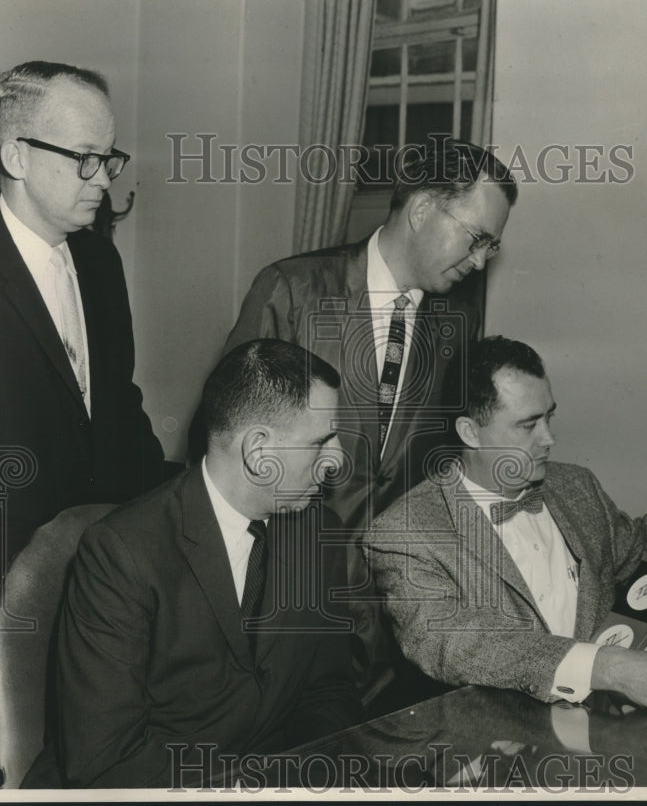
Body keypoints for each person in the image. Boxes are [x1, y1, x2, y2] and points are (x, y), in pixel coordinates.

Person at [0, 61, 165, 787]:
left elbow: (118, 413)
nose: (103, 179)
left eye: (108, 157)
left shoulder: (100, 263)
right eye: (84, 158)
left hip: (96, 591)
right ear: (16, 156)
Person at [219, 138, 518, 692]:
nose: (480, 261)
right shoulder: (293, 290)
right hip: (292, 592)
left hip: (397, 611)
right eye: (477, 239)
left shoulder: (459, 317)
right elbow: (228, 450)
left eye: (491, 248)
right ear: (424, 208)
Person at [49, 340, 359, 788]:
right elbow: (106, 763)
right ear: (259, 453)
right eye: (321, 441)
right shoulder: (121, 554)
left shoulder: (318, 532)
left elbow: (329, 692)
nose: (337, 459)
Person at [365, 336, 647, 713]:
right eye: (527, 425)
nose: (549, 438)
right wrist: (608, 667)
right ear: (470, 432)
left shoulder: (577, 486)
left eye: (549, 416)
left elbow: (645, 554)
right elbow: (453, 642)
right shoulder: (406, 531)